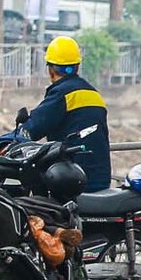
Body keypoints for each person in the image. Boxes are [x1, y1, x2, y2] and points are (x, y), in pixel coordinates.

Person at [21, 36, 112, 192]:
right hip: (100, 180)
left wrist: (14, 137)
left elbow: (33, 129)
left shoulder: (62, 94)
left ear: (50, 69)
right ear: (77, 66)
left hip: (71, 180)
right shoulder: (94, 94)